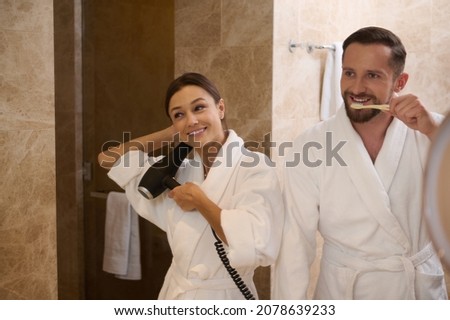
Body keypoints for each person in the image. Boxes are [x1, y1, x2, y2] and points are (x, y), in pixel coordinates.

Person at [272, 26, 448, 299]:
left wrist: (434, 132)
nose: (356, 88)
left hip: (416, 291)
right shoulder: (310, 146)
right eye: (349, 73)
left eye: (373, 76)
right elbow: (295, 242)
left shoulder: (429, 132)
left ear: (399, 83)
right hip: (345, 293)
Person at [98, 72, 284, 299]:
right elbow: (107, 159)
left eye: (199, 108)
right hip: (178, 293)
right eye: (179, 114)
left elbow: (259, 244)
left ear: (220, 108)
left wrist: (201, 201)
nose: (192, 120)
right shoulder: (179, 169)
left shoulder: (255, 169)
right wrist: (171, 134)